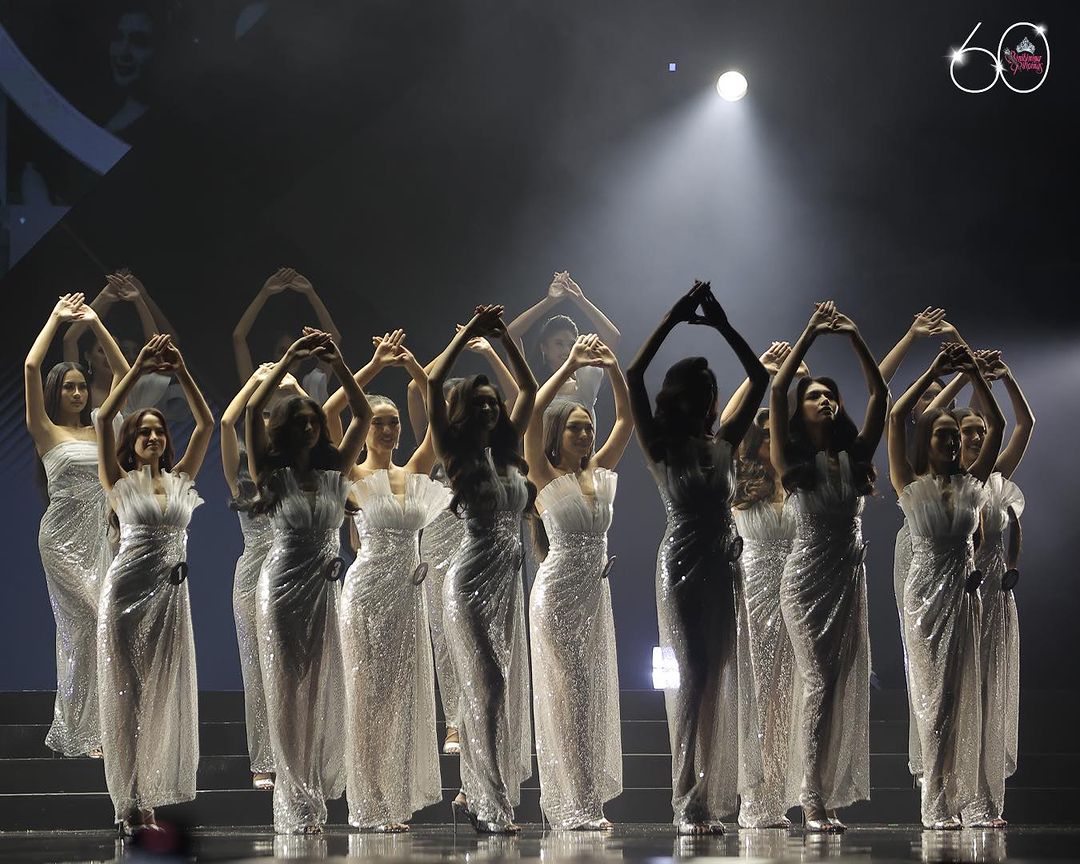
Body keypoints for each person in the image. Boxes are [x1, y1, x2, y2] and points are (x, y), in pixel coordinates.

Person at [626, 280, 768, 834]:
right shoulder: (661, 445)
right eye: (701, 388)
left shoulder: (725, 441)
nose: (710, 396)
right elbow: (633, 375)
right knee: (693, 673)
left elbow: (759, 378)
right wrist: (672, 317)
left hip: (722, 563)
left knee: (716, 677)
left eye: (712, 389)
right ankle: (686, 802)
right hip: (681, 559)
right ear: (680, 395)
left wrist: (723, 324)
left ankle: (708, 796)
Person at [246, 328, 373, 835]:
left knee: (318, 691)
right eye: (297, 420)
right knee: (285, 689)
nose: (307, 427)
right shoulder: (268, 472)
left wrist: (338, 363)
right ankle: (293, 799)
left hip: (323, 592)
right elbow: (253, 413)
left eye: (313, 420)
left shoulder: (335, 470)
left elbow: (361, 415)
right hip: (279, 586)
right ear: (284, 428)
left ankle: (310, 796)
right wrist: (290, 363)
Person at [325, 332, 451, 832]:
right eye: (380, 421)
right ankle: (368, 802)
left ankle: (389, 801)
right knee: (366, 696)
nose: (390, 429)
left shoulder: (412, 471)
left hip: (406, 596)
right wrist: (374, 365)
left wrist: (417, 369)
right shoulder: (352, 471)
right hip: (366, 590)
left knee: (398, 697)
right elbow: (335, 412)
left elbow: (438, 421)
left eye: (395, 421)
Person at [770, 301, 888, 832]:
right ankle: (811, 798)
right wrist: (811, 333)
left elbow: (881, 395)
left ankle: (827, 793)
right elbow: (775, 392)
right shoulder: (792, 459)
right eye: (814, 395)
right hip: (804, 579)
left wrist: (856, 335)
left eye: (830, 395)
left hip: (848, 579)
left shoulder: (857, 457)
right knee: (817, 680)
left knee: (839, 685)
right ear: (801, 409)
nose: (824, 400)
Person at [95, 334, 214, 836]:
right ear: (132, 441)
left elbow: (207, 424)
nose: (152, 438)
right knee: (128, 696)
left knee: (160, 697)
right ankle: (128, 800)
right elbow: (104, 419)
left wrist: (182, 371)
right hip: (124, 595)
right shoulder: (118, 480)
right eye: (143, 432)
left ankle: (146, 797)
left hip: (170, 599)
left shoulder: (182, 479)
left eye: (158, 432)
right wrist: (140, 366)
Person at [426, 305, 538, 833]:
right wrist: (468, 332)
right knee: (488, 686)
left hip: (508, 585)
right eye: (483, 404)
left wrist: (503, 341)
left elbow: (531, 390)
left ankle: (475, 794)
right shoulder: (455, 451)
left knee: (494, 691)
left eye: (496, 403)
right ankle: (493, 805)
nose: (492, 410)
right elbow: (431, 380)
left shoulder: (511, 456)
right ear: (469, 410)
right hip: (468, 581)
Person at [888, 343, 1005, 828]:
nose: (953, 443)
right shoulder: (909, 481)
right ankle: (933, 802)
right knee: (931, 698)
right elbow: (896, 416)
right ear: (926, 441)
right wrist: (939, 370)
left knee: (956, 697)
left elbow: (996, 426)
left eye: (955, 436)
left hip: (963, 594)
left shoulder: (974, 483)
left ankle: (950, 798)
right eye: (942, 435)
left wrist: (978, 375)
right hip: (923, 597)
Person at [524, 334, 633, 829]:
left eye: (588, 428)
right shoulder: (544, 474)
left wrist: (613, 369)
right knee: (570, 696)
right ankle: (576, 803)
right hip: (557, 594)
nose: (586, 435)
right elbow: (530, 415)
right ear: (557, 435)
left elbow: (627, 422)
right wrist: (568, 362)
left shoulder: (600, 471)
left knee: (590, 695)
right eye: (576, 429)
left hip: (594, 596)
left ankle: (587, 800)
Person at [927, 350, 1035, 827]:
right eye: (965, 432)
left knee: (991, 694)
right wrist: (967, 375)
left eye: (978, 431)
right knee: (958, 694)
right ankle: (951, 797)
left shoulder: (996, 480)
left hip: (997, 598)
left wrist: (1003, 377)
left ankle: (986, 802)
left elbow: (1022, 425)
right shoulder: (956, 485)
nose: (973, 437)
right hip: (963, 595)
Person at [25, 293, 129, 758]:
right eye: (68, 387)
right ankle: (86, 733)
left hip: (101, 539)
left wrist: (96, 324)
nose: (77, 393)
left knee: (88, 632)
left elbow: (126, 377)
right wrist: (55, 317)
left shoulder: (100, 426)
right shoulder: (46, 430)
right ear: (56, 393)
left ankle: (85, 730)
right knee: (90, 620)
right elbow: (31, 367)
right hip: (62, 542)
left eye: (81, 387)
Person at [406, 329, 519, 756]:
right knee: (443, 626)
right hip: (441, 532)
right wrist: (451, 348)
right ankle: (455, 720)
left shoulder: (496, 447)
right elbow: (420, 387)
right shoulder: (440, 445)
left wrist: (491, 349)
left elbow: (520, 395)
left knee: (486, 637)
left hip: (484, 539)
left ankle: (484, 721)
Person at [722, 341, 807, 828]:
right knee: (757, 692)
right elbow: (727, 428)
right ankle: (755, 797)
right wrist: (766, 371)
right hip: (753, 590)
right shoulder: (742, 477)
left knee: (789, 694)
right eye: (766, 430)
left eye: (782, 432)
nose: (774, 437)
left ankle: (781, 792)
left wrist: (791, 382)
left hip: (797, 590)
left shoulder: (798, 483)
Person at [220, 363, 309, 791]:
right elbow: (225, 421)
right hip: (252, 570)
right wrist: (257, 382)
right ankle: (264, 760)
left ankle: (300, 757)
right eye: (268, 413)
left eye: (282, 412)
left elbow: (323, 421)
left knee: (295, 666)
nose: (273, 419)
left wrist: (290, 384)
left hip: (292, 568)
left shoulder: (299, 464)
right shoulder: (241, 466)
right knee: (256, 667)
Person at [507, 271, 620, 420]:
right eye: (559, 343)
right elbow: (511, 333)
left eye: (571, 344)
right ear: (544, 348)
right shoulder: (530, 387)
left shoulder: (586, 383)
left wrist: (580, 299)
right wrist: (550, 301)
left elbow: (612, 336)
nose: (567, 350)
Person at [233, 267, 342, 401]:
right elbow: (239, 338)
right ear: (274, 356)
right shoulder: (258, 388)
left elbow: (334, 339)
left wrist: (310, 292)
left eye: (295, 350)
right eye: (283, 351)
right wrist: (264, 293)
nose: (290, 355)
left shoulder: (311, 385)